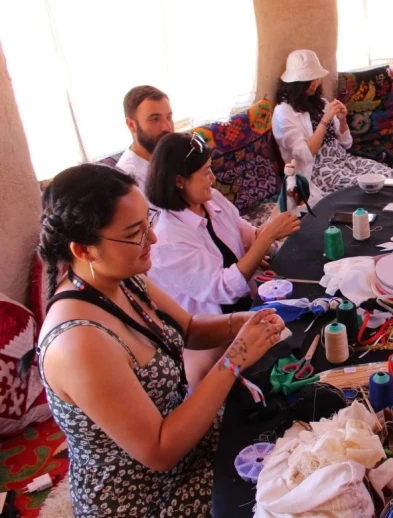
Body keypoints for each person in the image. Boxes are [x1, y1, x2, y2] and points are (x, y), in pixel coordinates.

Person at [37, 163, 288, 516]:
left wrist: (245, 321)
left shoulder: (123, 279)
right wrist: (235, 359)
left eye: (148, 223)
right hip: (147, 495)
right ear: (84, 250)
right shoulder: (78, 342)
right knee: (285, 489)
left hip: (185, 444)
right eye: (135, 233)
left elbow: (189, 328)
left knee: (290, 430)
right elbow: (159, 451)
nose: (152, 239)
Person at [145, 133, 300, 386]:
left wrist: (284, 207)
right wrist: (267, 237)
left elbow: (249, 237)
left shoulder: (211, 200)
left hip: (246, 307)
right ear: (179, 181)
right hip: (214, 338)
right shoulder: (168, 240)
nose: (213, 178)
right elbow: (225, 289)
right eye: (206, 172)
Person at [272, 49, 393, 197]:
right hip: (319, 170)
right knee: (364, 188)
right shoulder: (283, 112)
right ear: (296, 84)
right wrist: (325, 120)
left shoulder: (320, 102)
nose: (315, 83)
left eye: (317, 78)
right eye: (309, 80)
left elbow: (346, 144)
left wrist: (342, 120)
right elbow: (305, 155)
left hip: (344, 160)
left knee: (390, 176)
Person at [115, 85, 174, 193]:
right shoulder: (128, 183)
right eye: (155, 119)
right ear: (131, 125)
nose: (167, 127)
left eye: (169, 117)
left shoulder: (174, 153)